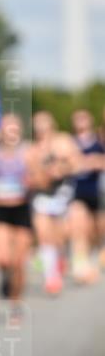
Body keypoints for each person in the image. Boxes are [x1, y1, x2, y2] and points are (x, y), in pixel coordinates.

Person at [0, 112, 33, 316]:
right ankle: (5, 276)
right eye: (7, 127)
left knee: (19, 262)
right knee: (3, 259)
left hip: (21, 208)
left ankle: (16, 302)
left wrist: (32, 181)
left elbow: (40, 177)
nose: (11, 131)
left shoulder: (29, 152)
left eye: (14, 127)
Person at [27, 110, 81, 295]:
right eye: (38, 124)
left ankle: (60, 258)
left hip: (63, 194)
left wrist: (61, 168)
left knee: (61, 234)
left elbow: (76, 162)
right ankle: (51, 278)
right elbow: (31, 176)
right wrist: (41, 175)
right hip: (42, 196)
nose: (41, 128)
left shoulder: (63, 141)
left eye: (44, 124)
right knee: (43, 233)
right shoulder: (32, 148)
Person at [67, 108, 105, 283]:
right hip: (78, 193)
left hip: (98, 193)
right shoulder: (69, 143)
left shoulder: (98, 141)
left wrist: (94, 162)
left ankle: (95, 256)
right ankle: (80, 267)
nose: (81, 122)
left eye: (84, 118)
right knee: (78, 229)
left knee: (96, 231)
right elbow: (66, 165)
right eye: (77, 118)